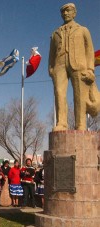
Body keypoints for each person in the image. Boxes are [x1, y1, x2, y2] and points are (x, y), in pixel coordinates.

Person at [49, 3, 97, 131]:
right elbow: (51, 53)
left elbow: (89, 50)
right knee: (59, 93)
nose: (65, 13)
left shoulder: (83, 30)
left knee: (80, 95)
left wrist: (90, 69)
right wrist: (51, 68)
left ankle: (81, 124)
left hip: (79, 65)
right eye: (63, 12)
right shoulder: (55, 33)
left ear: (74, 13)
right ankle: (62, 123)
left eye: (68, 11)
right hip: (59, 65)